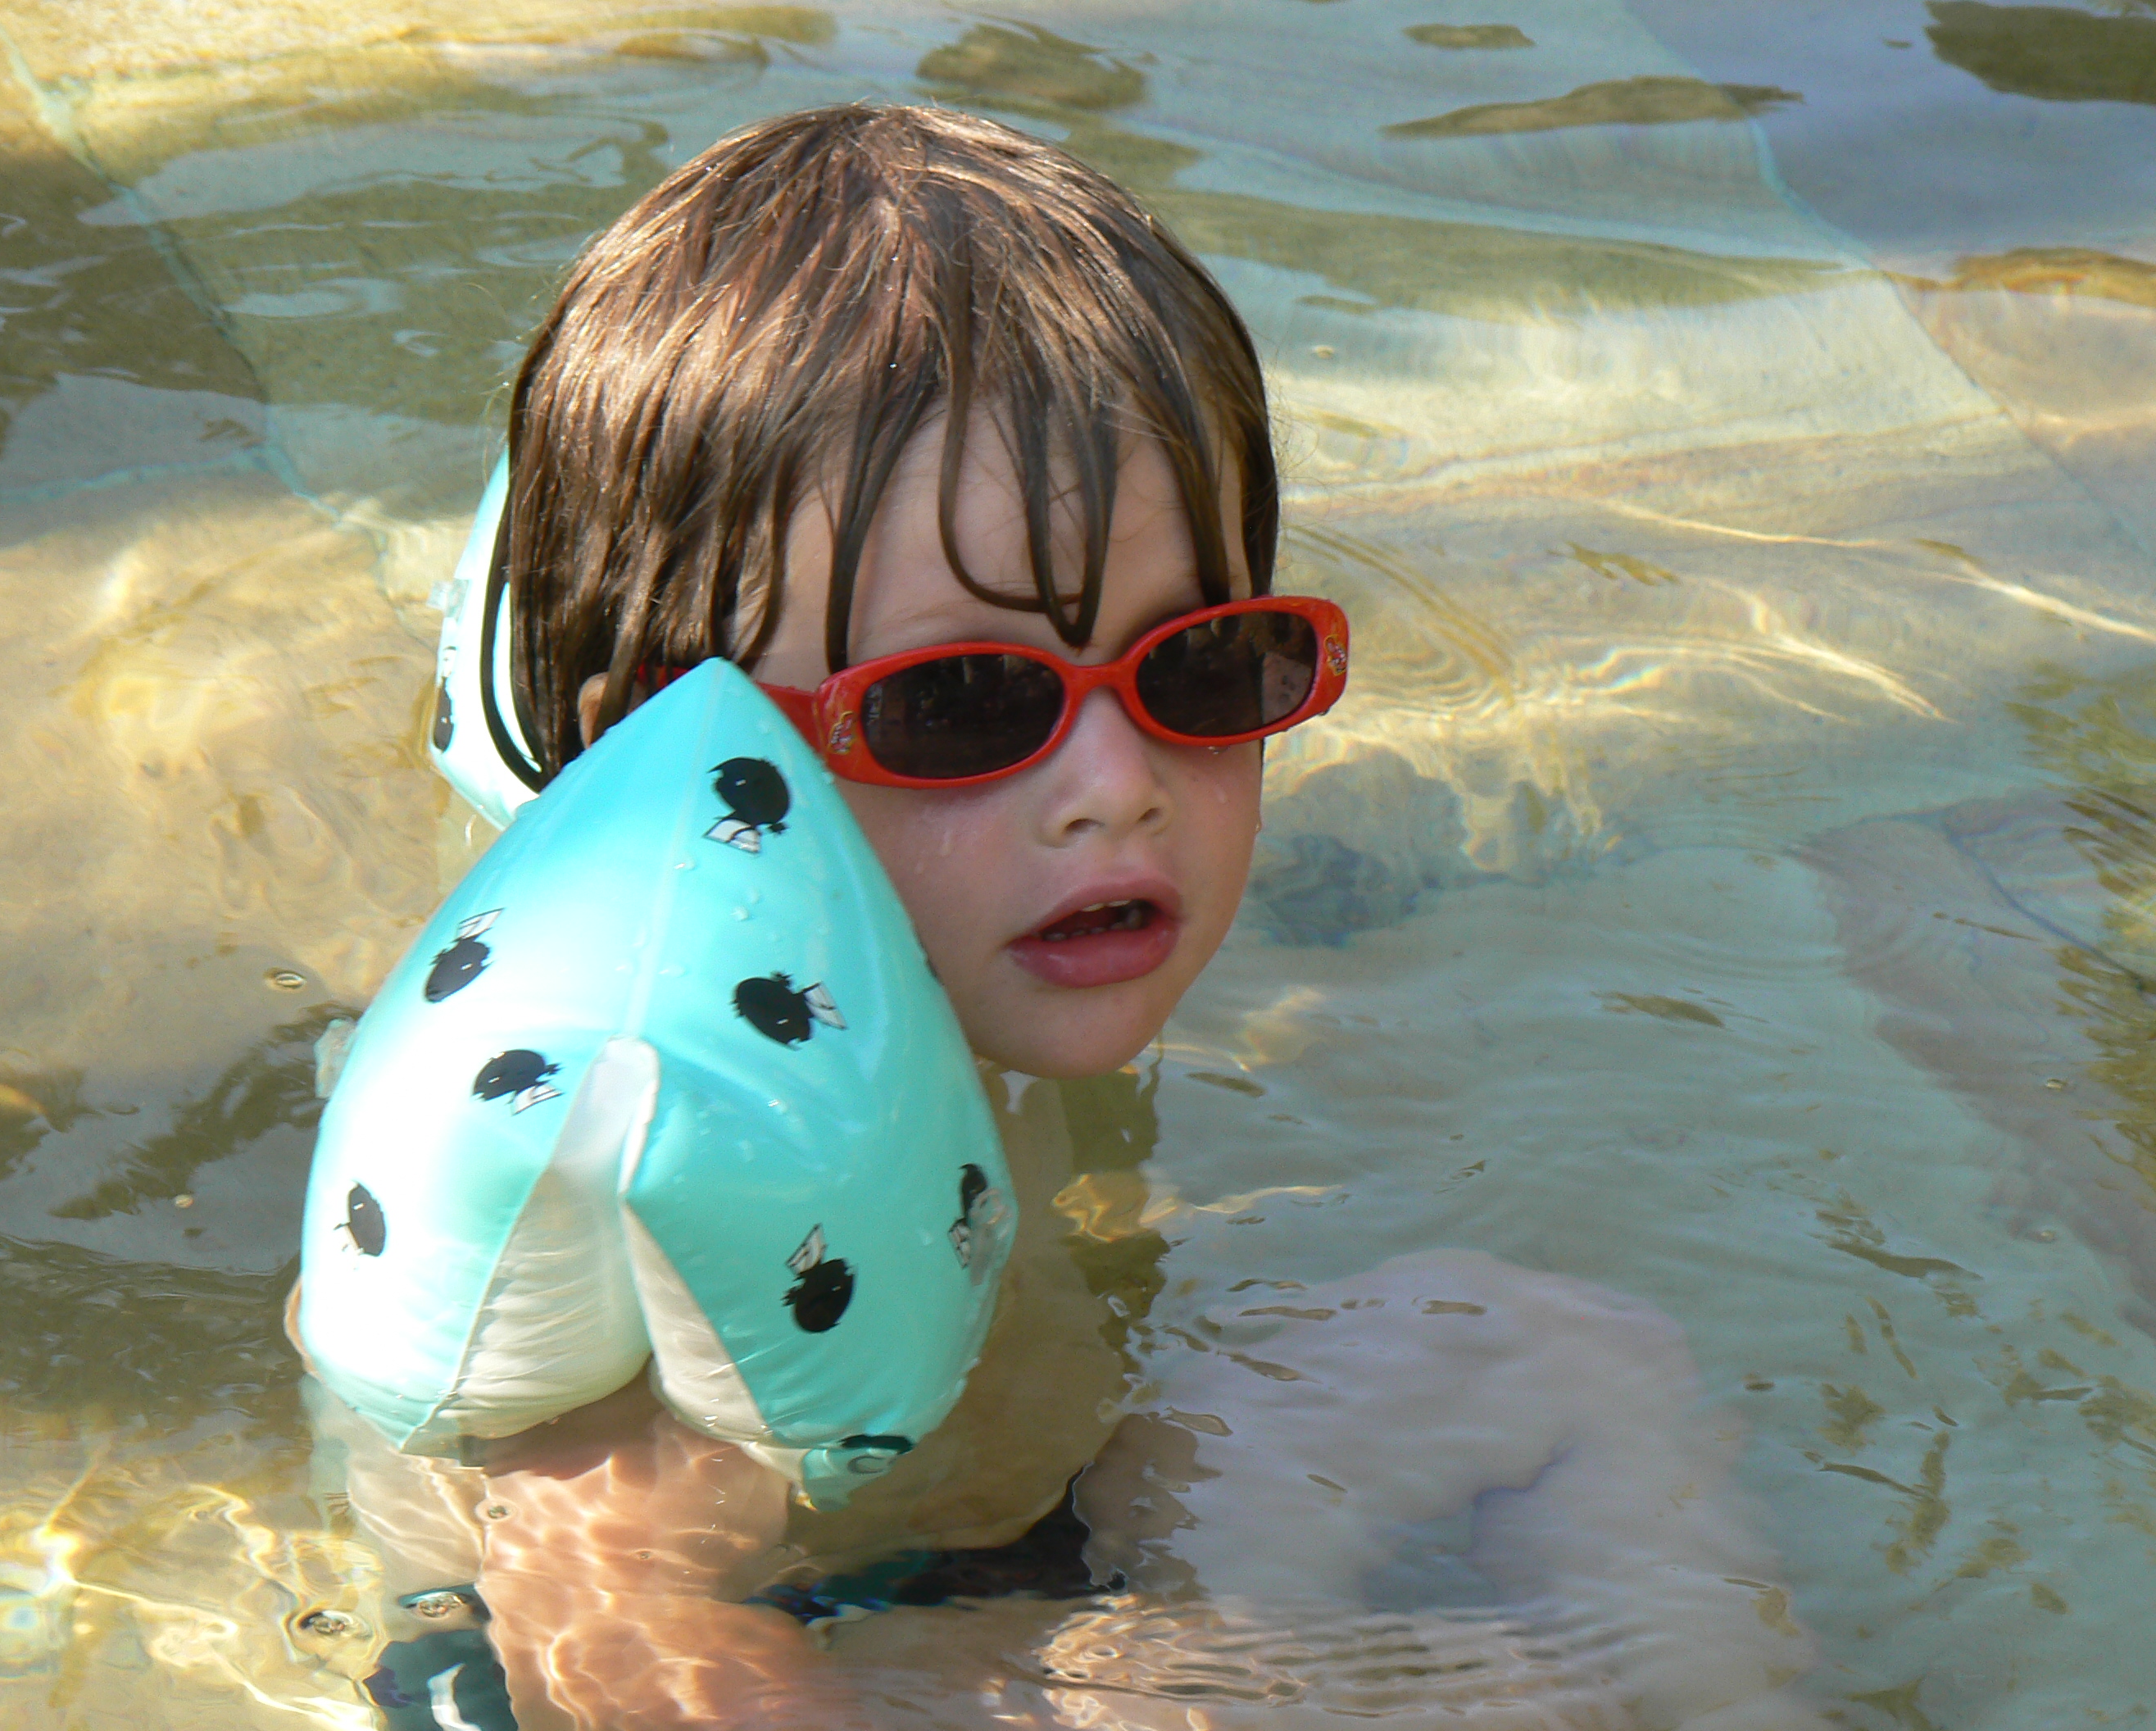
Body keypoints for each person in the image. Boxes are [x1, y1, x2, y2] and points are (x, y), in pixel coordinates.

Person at [311, 105, 1818, 1730]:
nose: (1118, 786)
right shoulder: (667, 1147)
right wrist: (1290, 1687)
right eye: (963, 703)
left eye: (1203, 668)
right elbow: (606, 1650)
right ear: (693, 759)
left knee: (1562, 1357)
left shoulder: (947, 947)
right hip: (795, 1640)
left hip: (1032, 1531)